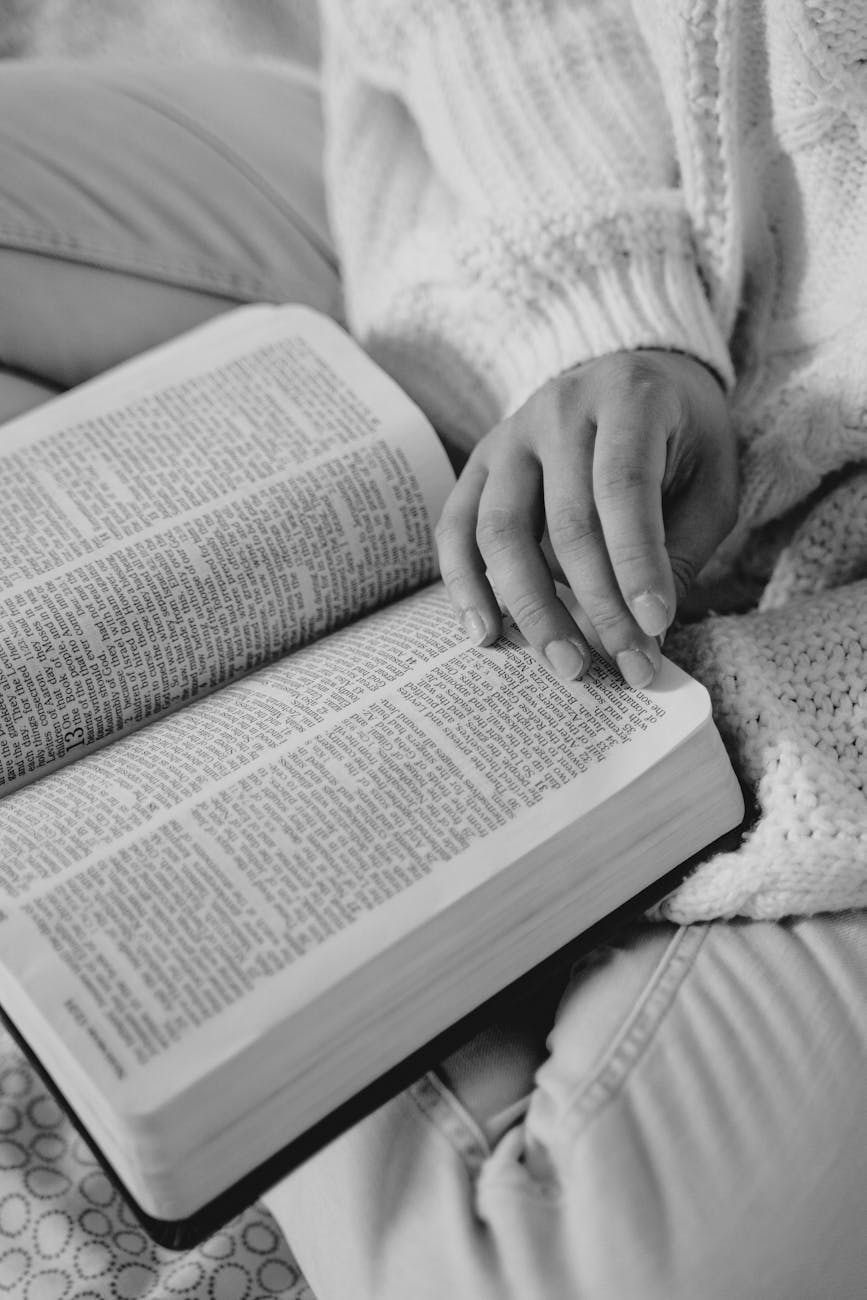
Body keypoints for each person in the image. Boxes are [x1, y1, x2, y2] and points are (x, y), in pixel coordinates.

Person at [1, 2, 866, 1297]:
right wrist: (603, 324)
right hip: (516, 209)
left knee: (558, 1272)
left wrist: (730, 723)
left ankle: (300, 983)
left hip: (820, 667)